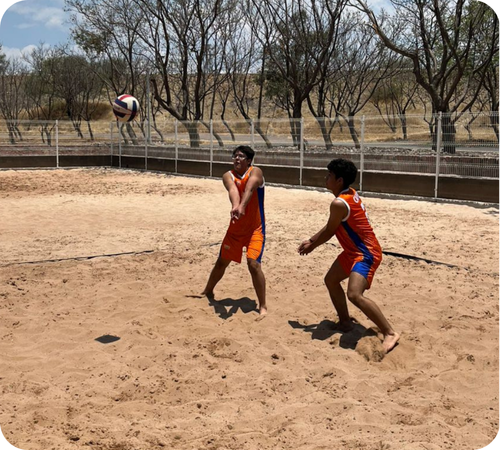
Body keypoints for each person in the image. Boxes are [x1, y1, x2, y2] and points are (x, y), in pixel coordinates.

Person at [298, 158, 399, 353]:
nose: (326, 178)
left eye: (329, 175)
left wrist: (312, 246)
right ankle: (345, 322)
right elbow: (331, 226)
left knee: (354, 294)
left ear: (339, 180)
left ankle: (390, 332)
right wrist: (311, 240)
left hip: (366, 253)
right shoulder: (349, 193)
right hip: (353, 252)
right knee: (331, 280)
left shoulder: (339, 203)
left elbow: (330, 231)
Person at [202, 145, 267, 315]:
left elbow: (250, 188)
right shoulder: (228, 175)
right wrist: (236, 206)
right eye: (235, 156)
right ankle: (208, 290)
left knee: (253, 265)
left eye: (241, 156)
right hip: (235, 230)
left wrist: (243, 206)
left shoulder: (256, 172)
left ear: (249, 160)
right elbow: (233, 190)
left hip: (255, 230)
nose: (237, 159)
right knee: (221, 262)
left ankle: (263, 306)